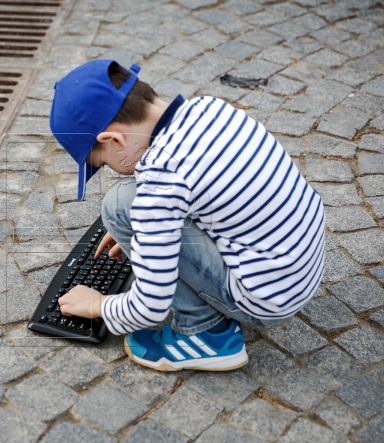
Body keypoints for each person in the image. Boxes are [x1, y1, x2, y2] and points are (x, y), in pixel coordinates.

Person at [51, 59, 325, 372]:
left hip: (266, 298)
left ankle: (204, 335)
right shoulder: (209, 108)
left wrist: (99, 305)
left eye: (102, 163)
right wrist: (145, 230)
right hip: (301, 268)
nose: (111, 170)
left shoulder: (161, 180)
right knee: (130, 201)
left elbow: (150, 308)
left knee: (118, 202)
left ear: (114, 140)